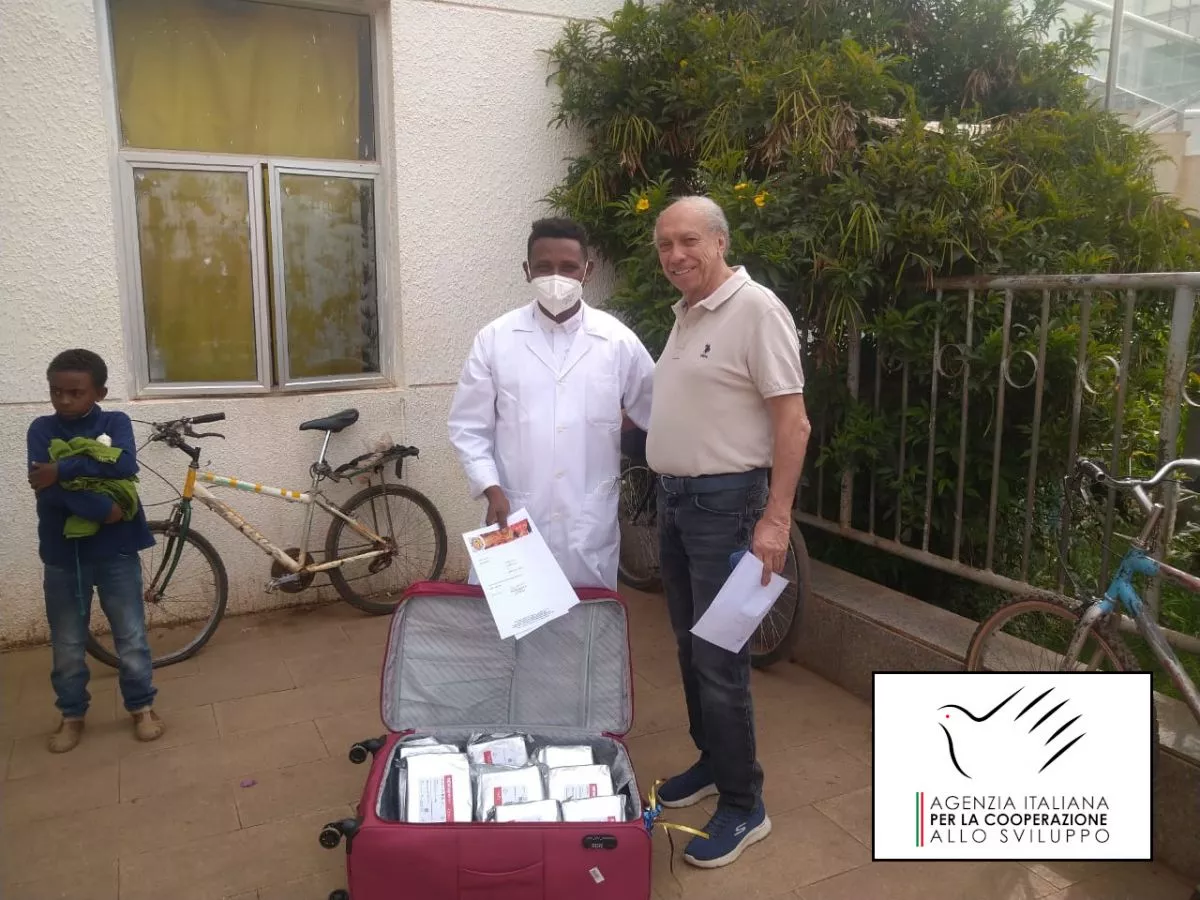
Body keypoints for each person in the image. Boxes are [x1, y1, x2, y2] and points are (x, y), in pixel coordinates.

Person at [646, 196, 811, 868]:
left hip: (727, 507)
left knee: (720, 658)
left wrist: (776, 518)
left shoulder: (756, 310)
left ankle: (745, 804)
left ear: (720, 242)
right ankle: (714, 761)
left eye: (689, 240)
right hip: (676, 503)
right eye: (665, 245)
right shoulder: (686, 314)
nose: (676, 255)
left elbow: (793, 423)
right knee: (691, 647)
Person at [448, 217, 655, 590]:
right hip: (512, 512)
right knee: (515, 616)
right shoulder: (495, 339)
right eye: (544, 267)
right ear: (527, 270)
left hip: (588, 518)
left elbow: (657, 413)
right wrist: (490, 487)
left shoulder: (618, 341)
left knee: (586, 618)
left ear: (587, 271)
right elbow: (468, 426)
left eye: (569, 267)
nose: (556, 277)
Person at [27, 349, 163, 753]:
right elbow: (46, 491)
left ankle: (141, 707)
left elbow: (124, 466)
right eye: (56, 391)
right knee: (68, 643)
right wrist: (104, 509)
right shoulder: (41, 429)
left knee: (131, 635)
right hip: (63, 554)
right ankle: (71, 715)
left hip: (116, 551)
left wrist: (63, 470)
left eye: (76, 392)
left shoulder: (115, 422)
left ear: (98, 392)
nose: (64, 400)